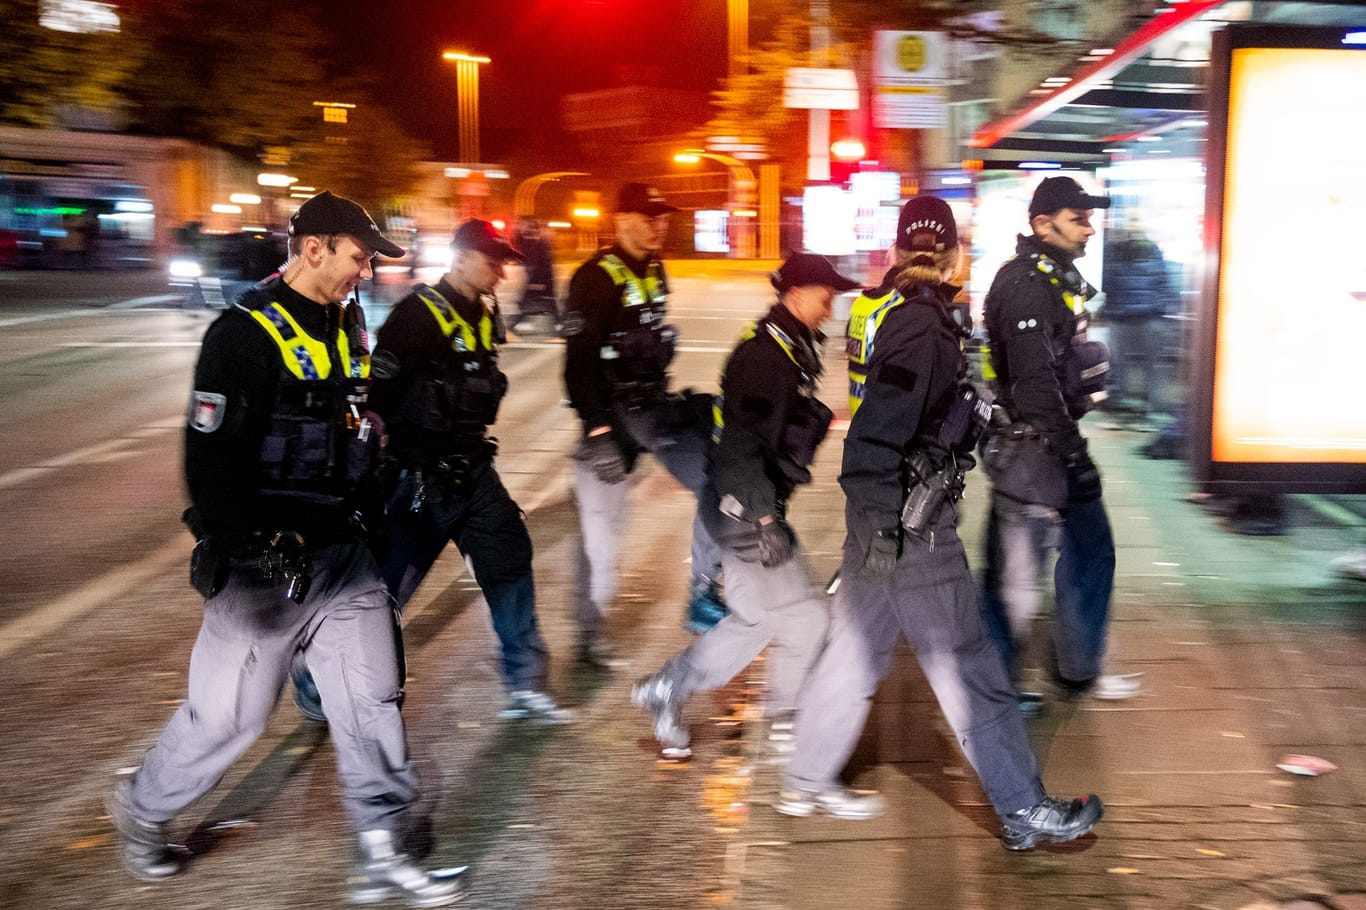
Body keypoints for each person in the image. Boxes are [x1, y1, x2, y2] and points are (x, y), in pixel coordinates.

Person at [106, 191, 465, 906]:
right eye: (359, 258)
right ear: (314, 249)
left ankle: (386, 848)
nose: (365, 273)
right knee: (231, 719)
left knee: (372, 702)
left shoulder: (347, 322)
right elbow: (208, 461)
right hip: (263, 573)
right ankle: (143, 809)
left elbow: (355, 422)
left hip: (344, 554)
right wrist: (247, 543)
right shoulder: (240, 336)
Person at [778, 195, 1105, 853]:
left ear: (897, 251)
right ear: (955, 253)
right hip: (911, 526)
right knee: (971, 665)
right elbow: (875, 436)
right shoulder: (922, 328)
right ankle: (1023, 810)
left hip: (885, 522)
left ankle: (804, 776)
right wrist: (890, 525)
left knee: (856, 650)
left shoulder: (899, 316)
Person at [631, 254, 851, 757]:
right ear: (795, 294)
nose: (830, 306)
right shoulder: (763, 357)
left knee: (755, 620)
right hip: (745, 511)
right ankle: (786, 725)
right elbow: (739, 447)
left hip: (746, 505)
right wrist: (765, 519)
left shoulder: (792, 350)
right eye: (825, 295)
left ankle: (668, 687)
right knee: (807, 620)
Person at [368, 218, 570, 723]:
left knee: (508, 559)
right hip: (419, 481)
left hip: (474, 473)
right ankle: (318, 680)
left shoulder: (482, 313)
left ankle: (525, 682)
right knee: (385, 592)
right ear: (460, 258)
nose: (501, 273)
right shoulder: (415, 318)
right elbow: (376, 400)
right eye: (493, 261)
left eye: (504, 262)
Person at [977, 176, 1141, 710]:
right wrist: (1075, 455)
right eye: (1079, 219)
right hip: (1033, 453)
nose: (1089, 228)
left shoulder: (1053, 278)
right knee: (1014, 586)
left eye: (1090, 218)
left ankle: (1076, 670)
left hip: (1049, 447)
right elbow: (1033, 385)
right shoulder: (1027, 285)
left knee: (1090, 553)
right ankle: (996, 691)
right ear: (1043, 224)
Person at [561, 183, 727, 666]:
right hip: (610, 418)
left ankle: (704, 590)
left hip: (652, 410)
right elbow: (578, 363)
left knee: (718, 476)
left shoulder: (655, 268)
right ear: (622, 219)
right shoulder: (594, 277)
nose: (661, 224)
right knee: (600, 535)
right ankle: (588, 633)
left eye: (664, 216)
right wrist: (595, 429)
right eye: (650, 216)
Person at [1100, 216, 1175, 423]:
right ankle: (1153, 408)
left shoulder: (1116, 252)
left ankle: (1124, 406)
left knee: (1120, 363)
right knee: (1152, 364)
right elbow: (1163, 281)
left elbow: (1110, 283)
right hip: (1145, 315)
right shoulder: (1152, 251)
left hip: (1128, 315)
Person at [509, 216, 558, 333]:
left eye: (524, 225)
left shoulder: (538, 242)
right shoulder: (532, 241)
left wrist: (537, 281)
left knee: (536, 302)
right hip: (539, 278)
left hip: (540, 278)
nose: (521, 228)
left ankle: (513, 324)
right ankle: (558, 325)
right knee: (547, 303)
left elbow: (542, 263)